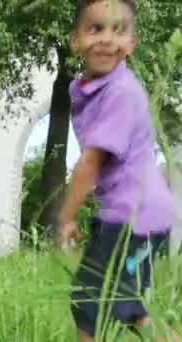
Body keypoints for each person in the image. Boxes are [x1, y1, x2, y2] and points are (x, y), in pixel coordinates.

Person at [56, 0, 178, 340]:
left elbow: (91, 162)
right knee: (130, 308)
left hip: (137, 220)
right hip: (122, 216)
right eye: (95, 29)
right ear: (75, 40)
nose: (107, 39)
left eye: (119, 30)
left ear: (132, 43)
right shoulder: (86, 88)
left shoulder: (122, 93)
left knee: (90, 303)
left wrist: (66, 217)